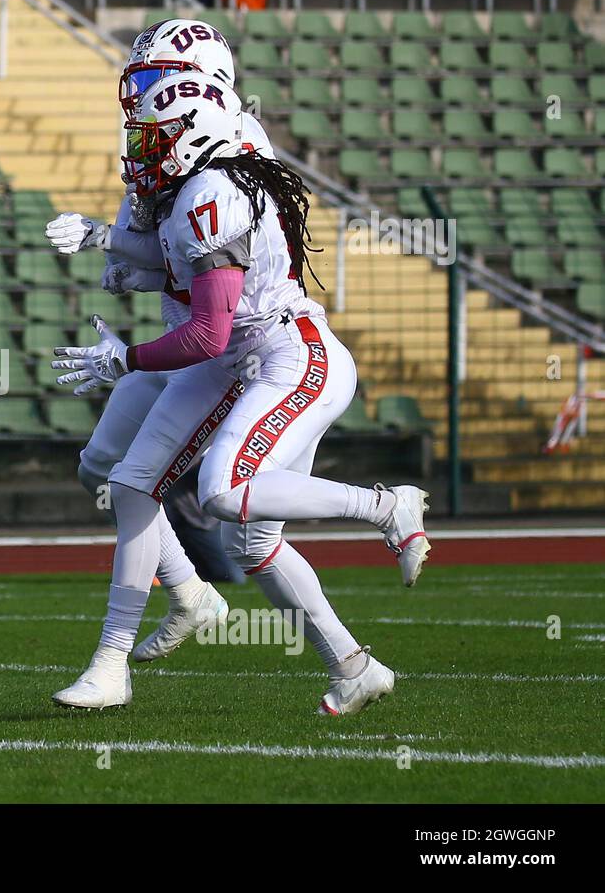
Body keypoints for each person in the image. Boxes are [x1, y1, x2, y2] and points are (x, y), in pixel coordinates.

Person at [49, 71, 430, 717]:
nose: (141, 148)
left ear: (192, 133)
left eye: (155, 136)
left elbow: (205, 331)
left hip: (281, 352)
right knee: (156, 493)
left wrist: (128, 358)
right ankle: (351, 667)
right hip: (237, 355)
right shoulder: (202, 178)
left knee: (223, 492)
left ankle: (387, 507)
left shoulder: (211, 192)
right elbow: (178, 276)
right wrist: (109, 242)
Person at [45, 18, 271, 657]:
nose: (143, 97)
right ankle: (193, 595)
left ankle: (382, 513)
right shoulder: (168, 142)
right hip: (187, 337)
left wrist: (111, 243)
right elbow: (154, 257)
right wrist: (113, 244)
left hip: (227, 349)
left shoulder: (229, 156)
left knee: (150, 484)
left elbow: (187, 267)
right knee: (98, 466)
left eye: (158, 79)